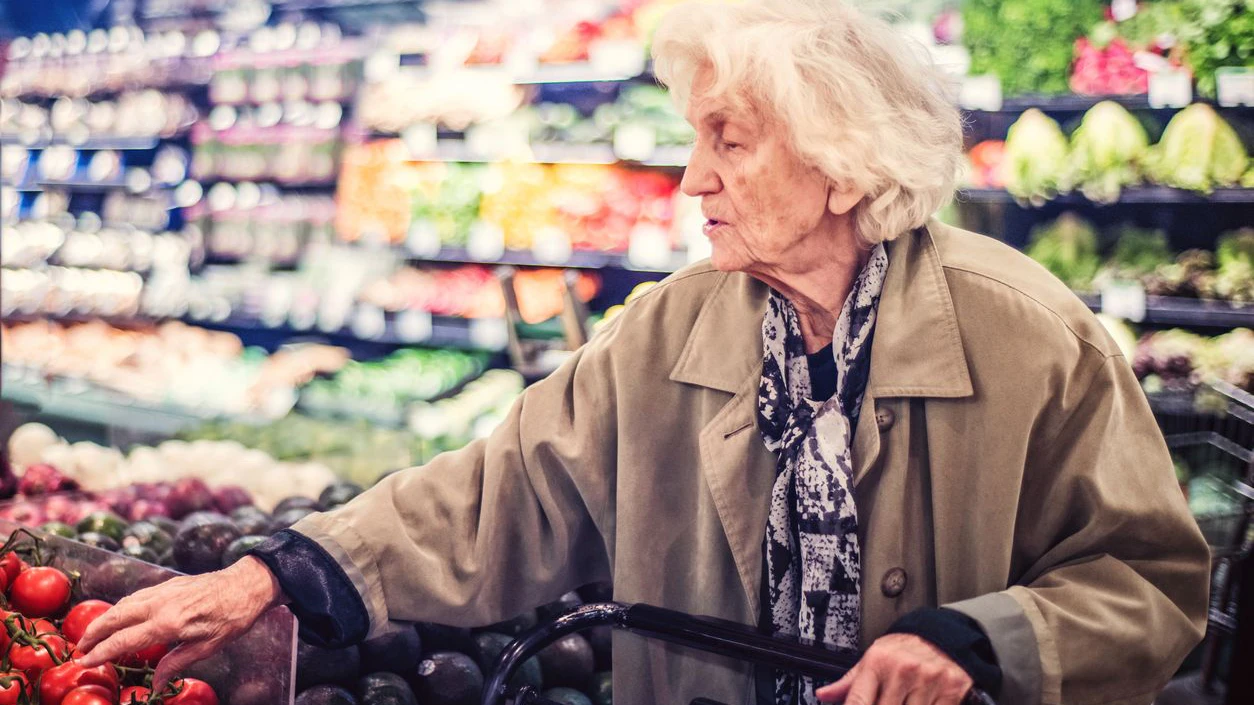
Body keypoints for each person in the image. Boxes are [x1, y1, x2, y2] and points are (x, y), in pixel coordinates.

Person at [76, 1, 1211, 704]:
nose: (693, 179)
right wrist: (280, 571)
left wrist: (981, 640)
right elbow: (496, 493)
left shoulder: (1022, 329)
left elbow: (1148, 585)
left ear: (845, 165)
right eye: (693, 137)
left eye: (731, 140)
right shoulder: (676, 323)